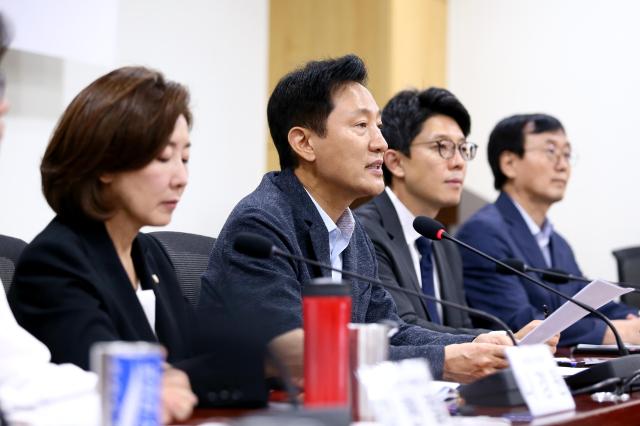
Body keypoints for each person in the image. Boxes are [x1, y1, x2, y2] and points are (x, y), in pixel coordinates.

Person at [199, 54, 513, 385]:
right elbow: (299, 358)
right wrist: (444, 362)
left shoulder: (349, 230)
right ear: (304, 143)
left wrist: (473, 345)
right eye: (361, 126)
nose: (380, 143)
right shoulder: (262, 225)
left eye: (378, 126)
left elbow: (390, 332)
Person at [8, 66, 263, 419]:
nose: (182, 178)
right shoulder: (54, 261)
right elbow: (114, 383)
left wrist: (269, 358)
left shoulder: (150, 253)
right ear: (105, 164)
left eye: (185, 158)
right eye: (163, 158)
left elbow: (193, 358)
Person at [355, 88, 556, 350]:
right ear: (395, 162)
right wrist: (498, 339)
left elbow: (460, 322)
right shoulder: (365, 232)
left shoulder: (443, 239)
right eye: (442, 147)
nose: (459, 162)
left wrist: (508, 339)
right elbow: (399, 327)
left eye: (463, 148)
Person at [456, 113, 639, 346]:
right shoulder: (482, 233)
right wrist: (613, 332)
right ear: (509, 163)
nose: (562, 165)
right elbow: (519, 323)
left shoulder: (558, 243)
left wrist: (634, 321)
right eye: (551, 151)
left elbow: (589, 306)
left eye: (566, 154)